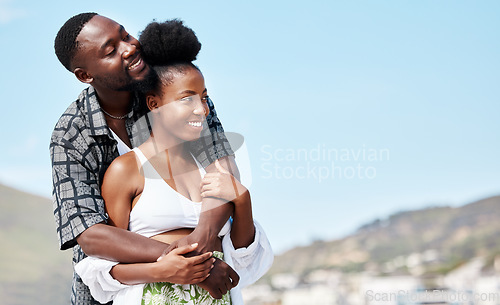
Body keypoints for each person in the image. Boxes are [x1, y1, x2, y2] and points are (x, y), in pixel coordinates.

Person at [74, 19, 273, 305]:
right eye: (186, 99)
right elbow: (103, 266)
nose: (201, 110)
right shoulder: (126, 170)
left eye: (204, 98)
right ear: (154, 104)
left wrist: (242, 199)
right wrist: (162, 269)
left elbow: (243, 258)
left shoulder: (213, 166)